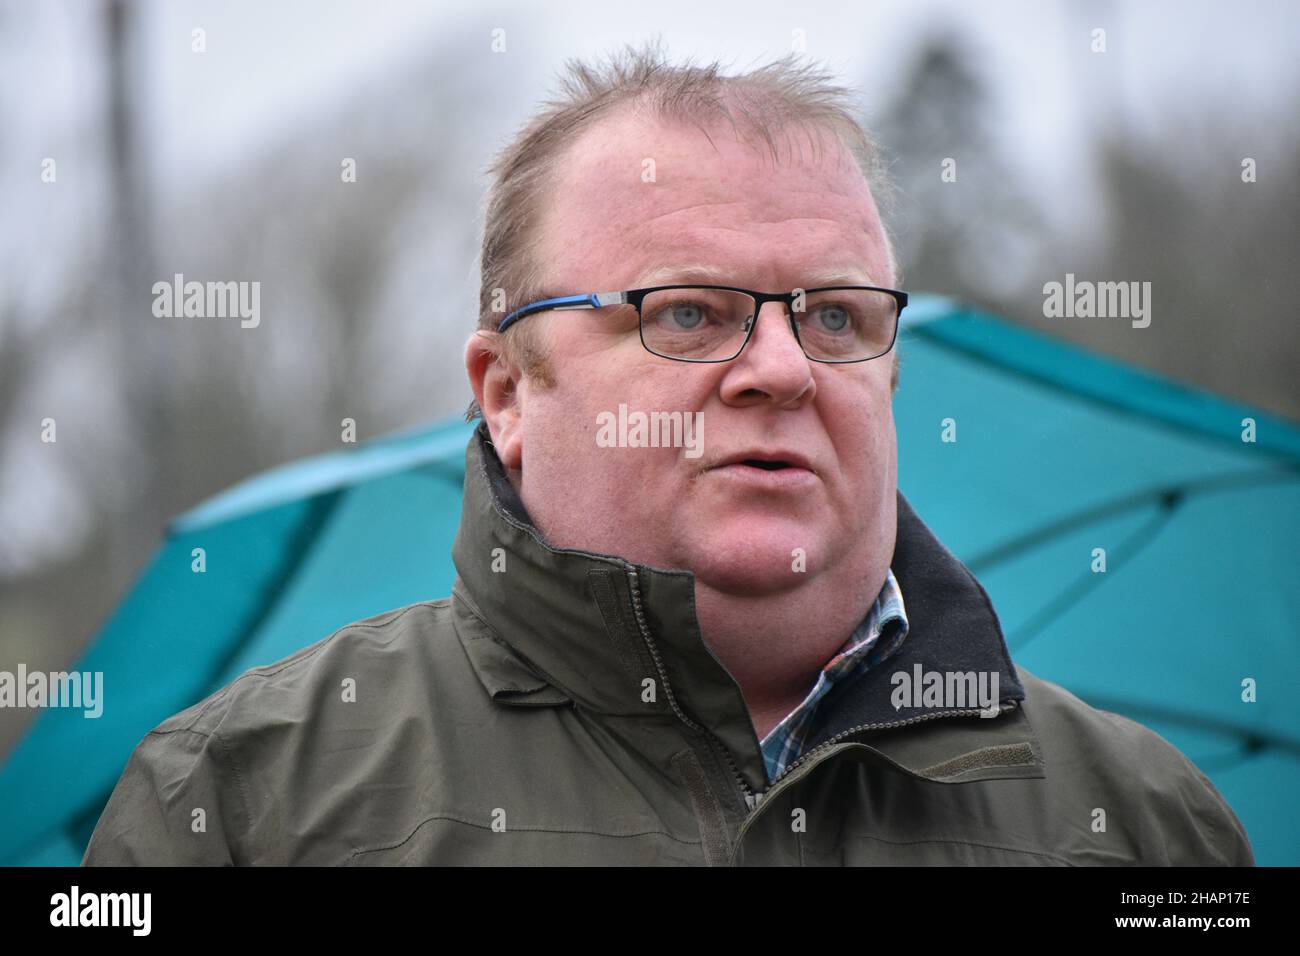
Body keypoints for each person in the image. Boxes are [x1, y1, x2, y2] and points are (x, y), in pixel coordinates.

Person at [82, 45, 1253, 866]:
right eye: (687, 313)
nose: (783, 370)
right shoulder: (238, 803)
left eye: (837, 316)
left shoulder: (1144, 822)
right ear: (506, 393)